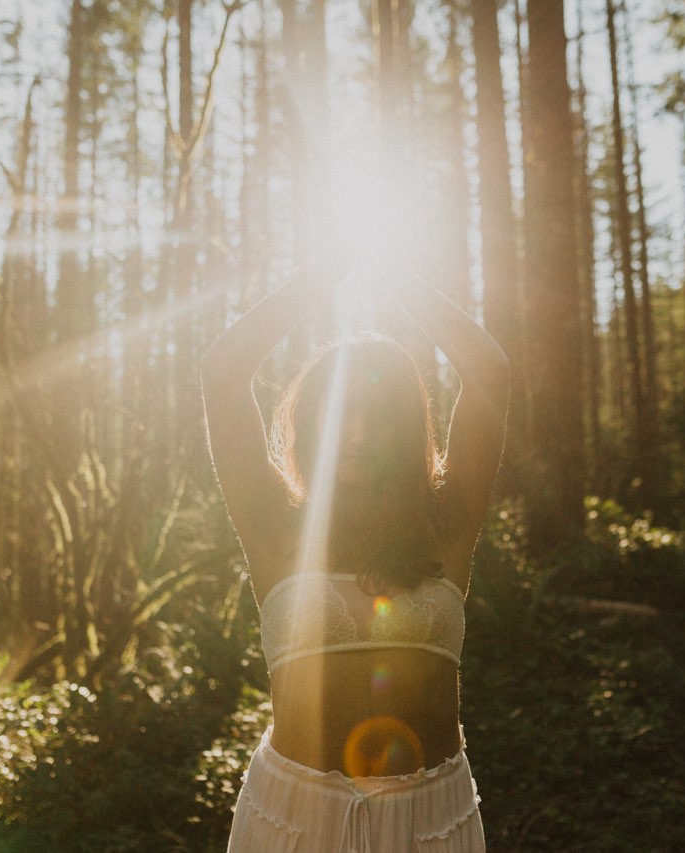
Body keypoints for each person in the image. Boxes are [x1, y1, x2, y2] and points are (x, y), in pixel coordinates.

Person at [201, 262, 510, 852]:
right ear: (315, 423)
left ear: (406, 430)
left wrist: (398, 273)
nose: (361, 434)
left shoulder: (446, 527)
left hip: (431, 820)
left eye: (381, 417)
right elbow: (221, 371)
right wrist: (321, 274)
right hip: (292, 818)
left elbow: (490, 372)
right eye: (343, 415)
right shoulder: (276, 529)